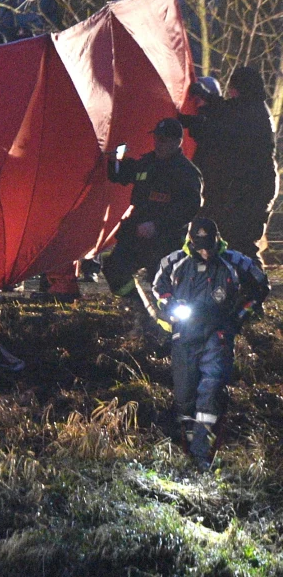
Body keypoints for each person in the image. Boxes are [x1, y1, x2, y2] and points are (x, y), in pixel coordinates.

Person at [152, 218, 270, 469]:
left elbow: (261, 286)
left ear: (218, 239)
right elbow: (159, 288)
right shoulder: (173, 262)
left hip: (219, 334)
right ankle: (187, 441)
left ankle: (202, 451)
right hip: (184, 335)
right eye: (200, 245)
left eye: (210, 244)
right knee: (185, 393)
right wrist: (170, 305)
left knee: (212, 388)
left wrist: (240, 317)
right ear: (191, 241)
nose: (205, 251)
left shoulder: (235, 261)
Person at [180, 68, 278, 265]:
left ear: (237, 89)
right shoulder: (253, 108)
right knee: (233, 237)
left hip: (253, 189)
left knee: (241, 241)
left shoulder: (249, 115)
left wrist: (187, 121)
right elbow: (226, 109)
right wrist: (205, 97)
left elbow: (218, 131)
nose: (230, 92)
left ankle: (253, 285)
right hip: (253, 186)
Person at [102, 117, 203, 303]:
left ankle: (171, 324)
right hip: (136, 235)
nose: (157, 144)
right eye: (156, 138)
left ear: (176, 142)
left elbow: (190, 207)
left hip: (166, 240)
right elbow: (123, 173)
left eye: (163, 140)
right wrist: (113, 159)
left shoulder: (186, 172)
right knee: (113, 269)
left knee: (166, 287)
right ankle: (139, 308)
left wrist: (157, 225)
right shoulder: (148, 163)